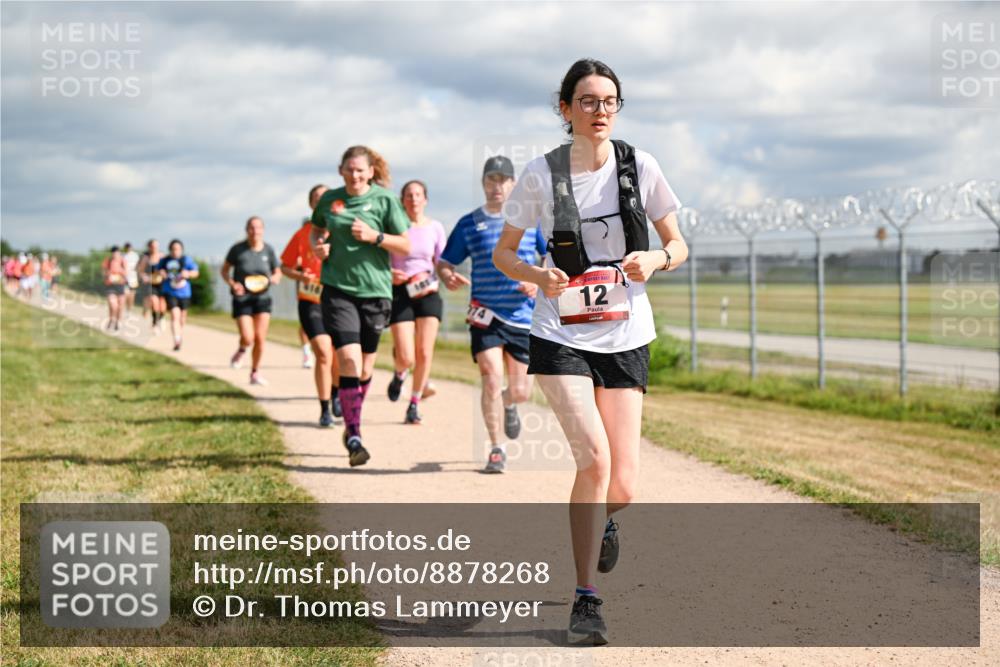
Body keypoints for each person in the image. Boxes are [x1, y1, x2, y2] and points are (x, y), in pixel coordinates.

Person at [493, 59, 687, 644]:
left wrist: (657, 258)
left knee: (622, 487)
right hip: (560, 332)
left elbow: (678, 244)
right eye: (588, 101)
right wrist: (537, 274)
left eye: (609, 101)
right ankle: (586, 597)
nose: (600, 111)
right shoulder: (541, 173)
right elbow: (505, 253)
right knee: (594, 462)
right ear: (566, 109)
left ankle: (602, 521)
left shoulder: (640, 166)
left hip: (626, 334)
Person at [438, 155, 546, 473]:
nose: (496, 186)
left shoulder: (530, 219)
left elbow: (549, 256)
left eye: (502, 179)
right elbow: (445, 262)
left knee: (522, 391)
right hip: (484, 314)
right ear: (483, 183)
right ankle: (496, 448)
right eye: (491, 179)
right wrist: (447, 276)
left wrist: (538, 281)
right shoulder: (469, 223)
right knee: (491, 378)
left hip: (522, 316)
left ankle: (509, 403)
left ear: (513, 184)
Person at [310, 145, 411, 467]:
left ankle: (351, 418)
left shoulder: (385, 200)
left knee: (366, 368)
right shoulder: (330, 200)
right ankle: (354, 436)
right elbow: (316, 229)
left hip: (376, 292)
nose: (354, 175)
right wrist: (318, 247)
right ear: (341, 170)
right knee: (349, 360)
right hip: (338, 290)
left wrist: (375, 236)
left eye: (360, 170)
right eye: (349, 169)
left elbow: (406, 244)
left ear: (370, 172)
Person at [281, 184, 344, 426]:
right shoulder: (303, 233)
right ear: (311, 204)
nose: (321, 201)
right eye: (316, 198)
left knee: (338, 355)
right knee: (323, 352)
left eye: (325, 197)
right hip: (311, 300)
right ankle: (324, 408)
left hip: (338, 300)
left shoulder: (342, 229)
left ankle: (336, 392)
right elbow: (285, 266)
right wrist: (300, 276)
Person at [387, 180, 447, 425]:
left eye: (418, 195)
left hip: (427, 292)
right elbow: (380, 259)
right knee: (406, 356)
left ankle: (414, 403)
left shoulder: (435, 227)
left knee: (424, 352)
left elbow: (442, 262)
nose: (413, 199)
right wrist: (390, 273)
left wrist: (444, 278)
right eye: (409, 195)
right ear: (402, 200)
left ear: (425, 199)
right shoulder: (394, 227)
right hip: (400, 293)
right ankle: (400, 372)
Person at [222, 217, 282, 385]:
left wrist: (275, 278)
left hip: (262, 298)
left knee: (260, 338)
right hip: (242, 299)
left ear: (263, 229)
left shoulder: (268, 250)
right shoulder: (237, 249)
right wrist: (233, 284)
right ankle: (242, 349)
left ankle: (255, 373)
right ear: (246, 230)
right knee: (248, 337)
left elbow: (277, 271)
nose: (255, 231)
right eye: (251, 228)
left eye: (258, 228)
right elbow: (225, 271)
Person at [156, 239, 200, 351]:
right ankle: (176, 340)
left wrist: (188, 273)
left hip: (184, 293)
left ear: (181, 250)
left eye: (178, 249)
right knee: (175, 315)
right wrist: (161, 273)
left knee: (182, 318)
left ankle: (179, 334)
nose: (176, 251)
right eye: (173, 249)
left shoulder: (186, 260)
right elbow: (157, 270)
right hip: (170, 291)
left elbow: (196, 272)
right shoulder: (164, 260)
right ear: (170, 250)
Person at [136, 239, 166, 331]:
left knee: (162, 305)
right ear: (149, 247)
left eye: (156, 246)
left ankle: (161, 318)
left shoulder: (163, 256)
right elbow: (140, 271)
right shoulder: (146, 258)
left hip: (162, 283)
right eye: (153, 246)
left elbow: (168, 269)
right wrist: (144, 276)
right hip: (150, 283)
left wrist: (164, 273)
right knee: (154, 301)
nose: (155, 248)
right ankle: (154, 323)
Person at [101, 246, 127, 330]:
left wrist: (120, 274)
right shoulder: (108, 261)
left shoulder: (123, 261)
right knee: (113, 305)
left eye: (117, 253)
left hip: (120, 285)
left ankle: (118, 322)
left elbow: (127, 272)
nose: (115, 254)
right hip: (110, 286)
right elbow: (103, 272)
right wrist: (108, 275)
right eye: (113, 253)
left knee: (120, 306)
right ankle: (111, 319)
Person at [122, 242, 140, 316]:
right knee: (125, 294)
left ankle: (129, 310)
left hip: (133, 278)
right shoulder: (123, 256)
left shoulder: (135, 256)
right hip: (125, 278)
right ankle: (124, 309)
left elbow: (139, 266)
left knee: (132, 295)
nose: (128, 249)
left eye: (129, 247)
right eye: (127, 247)